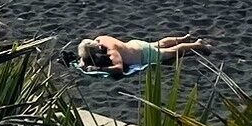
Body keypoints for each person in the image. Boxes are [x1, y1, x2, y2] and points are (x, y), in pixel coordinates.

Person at [75, 33, 208, 74]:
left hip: (143, 55)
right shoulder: (100, 38)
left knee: (172, 52)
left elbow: (119, 68)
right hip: (135, 44)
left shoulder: (111, 51)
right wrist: (82, 62)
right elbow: (85, 55)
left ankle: (197, 45)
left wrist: (98, 68)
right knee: (159, 43)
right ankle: (183, 38)